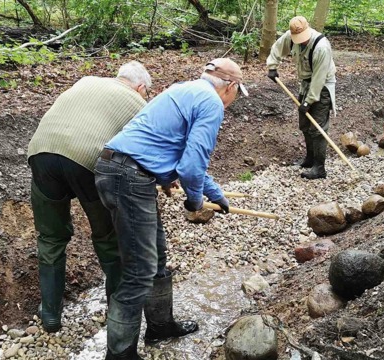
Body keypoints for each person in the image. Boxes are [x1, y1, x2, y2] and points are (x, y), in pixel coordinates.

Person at [95, 58, 248, 360]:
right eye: (236, 93)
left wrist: (216, 194)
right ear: (230, 86)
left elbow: (182, 157)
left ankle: (160, 326)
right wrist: (194, 201)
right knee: (139, 272)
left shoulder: (184, 89)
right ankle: (119, 355)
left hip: (115, 169)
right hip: (130, 176)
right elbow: (191, 168)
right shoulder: (212, 103)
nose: (233, 101)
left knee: (156, 257)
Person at [26, 61, 151, 333]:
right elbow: (142, 152)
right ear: (141, 87)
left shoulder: (86, 81)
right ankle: (117, 310)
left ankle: (50, 314)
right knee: (108, 237)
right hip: (87, 162)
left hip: (41, 153)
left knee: (50, 237)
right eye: (146, 92)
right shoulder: (138, 103)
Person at [266, 15, 337, 180]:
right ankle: (310, 158)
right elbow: (277, 48)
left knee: (317, 127)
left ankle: (319, 167)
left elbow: (319, 79)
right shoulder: (291, 37)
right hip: (305, 82)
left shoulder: (321, 47)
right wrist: (272, 66)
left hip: (323, 85)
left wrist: (308, 101)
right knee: (305, 124)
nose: (300, 41)